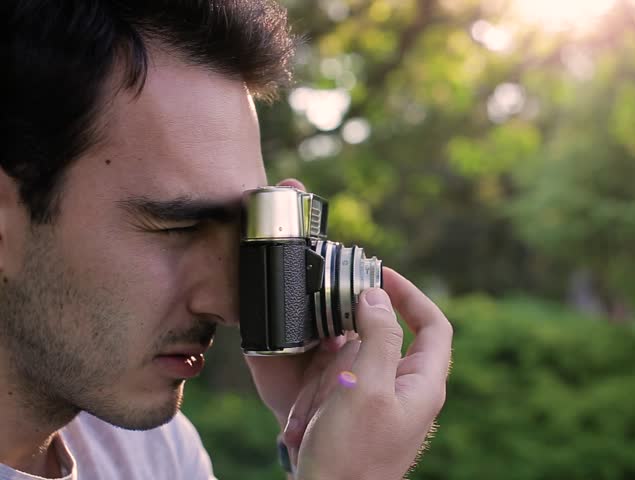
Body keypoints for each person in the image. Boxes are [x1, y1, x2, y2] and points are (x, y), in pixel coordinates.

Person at [0, 1, 453, 479]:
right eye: (177, 228)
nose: (229, 307)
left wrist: (306, 436)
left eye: (244, 232)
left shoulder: (154, 452)